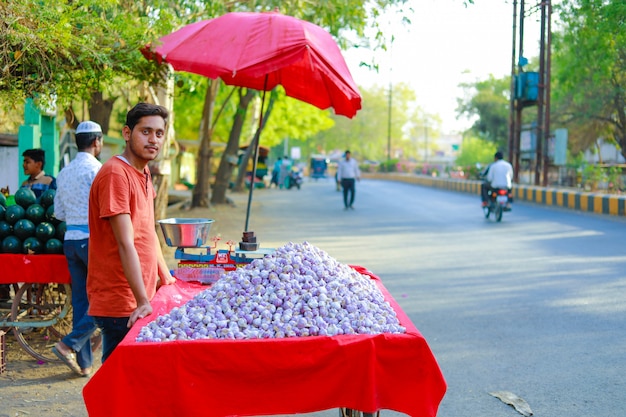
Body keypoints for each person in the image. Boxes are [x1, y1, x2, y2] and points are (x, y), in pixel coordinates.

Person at [87, 103, 175, 363]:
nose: (153, 140)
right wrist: (141, 301)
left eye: (159, 133)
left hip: (138, 299)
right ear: (127, 133)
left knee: (130, 385)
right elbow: (126, 242)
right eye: (145, 131)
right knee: (118, 384)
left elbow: (147, 233)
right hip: (121, 301)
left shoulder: (143, 171)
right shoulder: (116, 173)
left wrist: (166, 278)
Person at [51, 121, 103, 377]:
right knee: (106, 299)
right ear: (97, 142)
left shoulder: (64, 172)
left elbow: (58, 213)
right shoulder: (97, 170)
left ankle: (84, 365)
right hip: (92, 241)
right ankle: (67, 344)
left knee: (82, 302)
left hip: (70, 240)